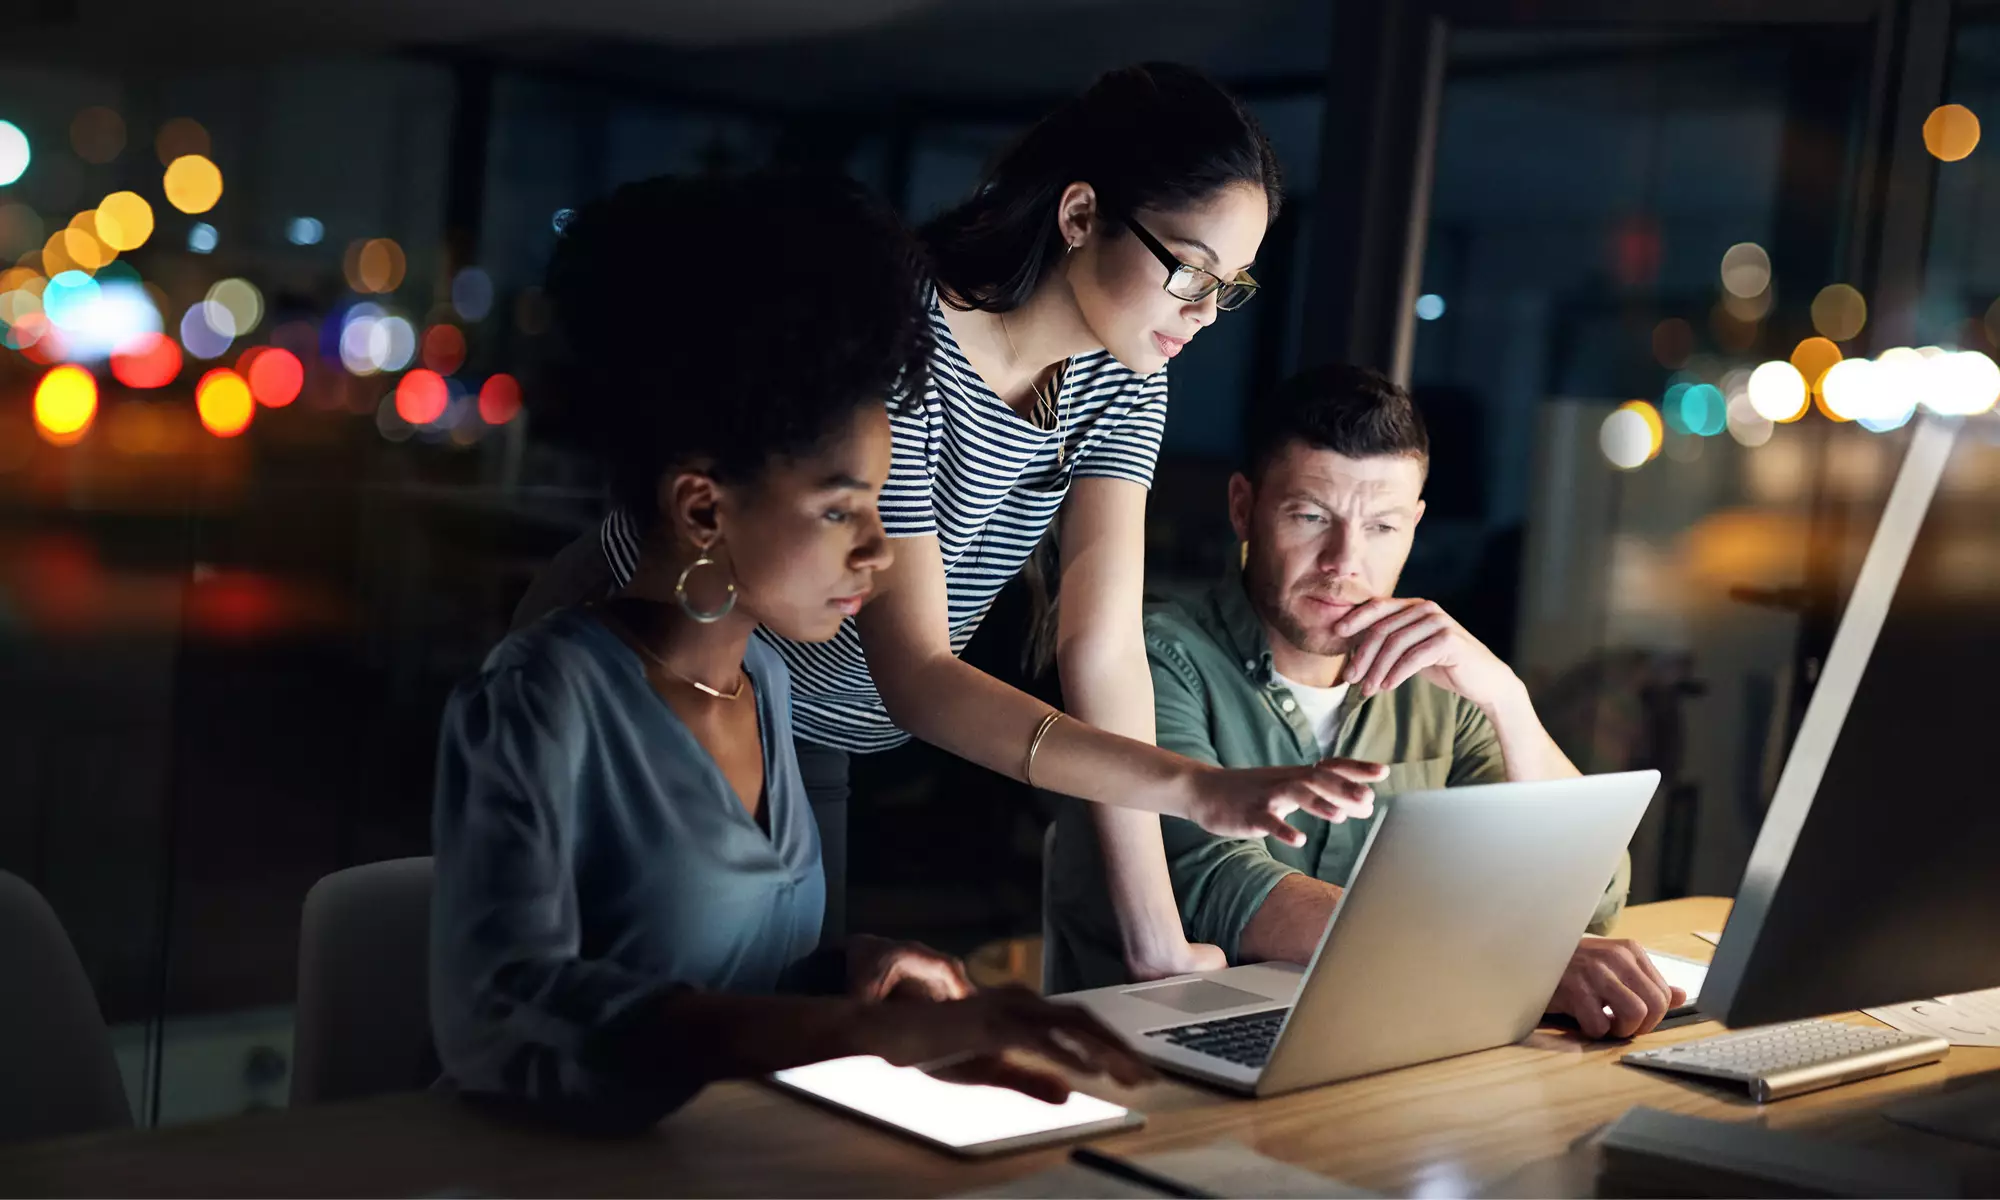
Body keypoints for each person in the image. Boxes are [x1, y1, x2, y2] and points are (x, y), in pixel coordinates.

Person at [513, 62, 1380, 982]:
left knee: (781, 1013)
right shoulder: (900, 335)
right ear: (1081, 215)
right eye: (1190, 271)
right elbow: (918, 674)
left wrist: (1153, 936)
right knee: (609, 990)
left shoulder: (1127, 379)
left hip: (813, 717)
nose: (1205, 314)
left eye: (1231, 286)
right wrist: (1193, 786)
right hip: (666, 651)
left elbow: (1105, 651)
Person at [430, 172, 1153, 1132]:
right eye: (839, 509)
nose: (880, 549)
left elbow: (728, 971)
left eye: (881, 503)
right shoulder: (541, 700)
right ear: (702, 507)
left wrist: (862, 978)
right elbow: (505, 1019)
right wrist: (856, 1037)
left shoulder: (762, 683)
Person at [1046, 365, 1684, 1041]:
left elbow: (1594, 895)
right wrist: (1496, 956)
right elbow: (1212, 885)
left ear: (1414, 526)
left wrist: (1507, 697)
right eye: (1310, 516)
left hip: (1369, 1042)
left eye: (1381, 527)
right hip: (1149, 1057)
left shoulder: (1441, 681)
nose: (1344, 561)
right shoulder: (1154, 660)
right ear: (1244, 507)